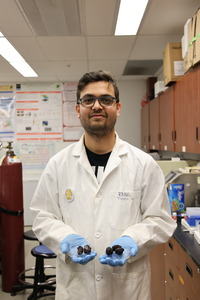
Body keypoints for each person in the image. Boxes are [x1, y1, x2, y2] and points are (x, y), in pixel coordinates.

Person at [30, 70, 176, 300]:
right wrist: (65, 239)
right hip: (76, 287)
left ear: (117, 107)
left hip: (127, 288)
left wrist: (132, 240)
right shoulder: (58, 165)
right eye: (88, 100)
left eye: (106, 100)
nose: (97, 106)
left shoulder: (144, 165)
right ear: (78, 109)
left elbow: (160, 219)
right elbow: (43, 217)